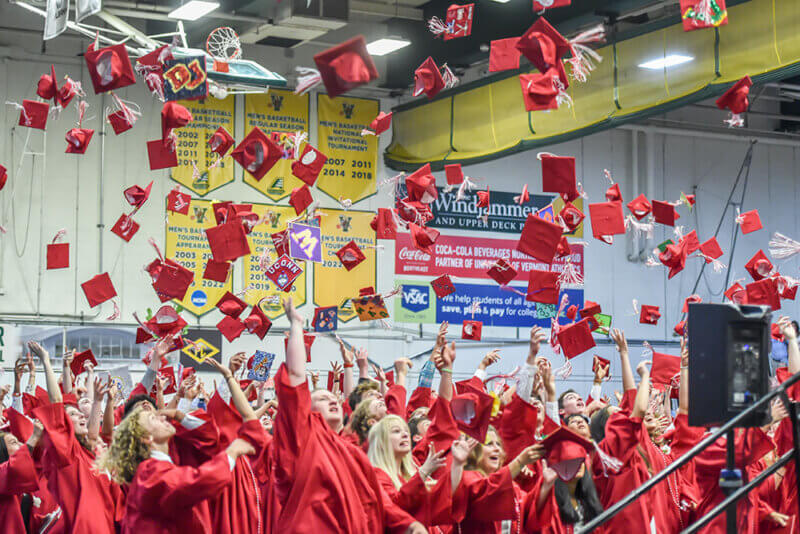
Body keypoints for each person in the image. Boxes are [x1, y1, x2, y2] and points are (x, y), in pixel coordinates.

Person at [271, 296, 426, 533]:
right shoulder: (302, 437)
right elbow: (294, 376)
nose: (333, 399)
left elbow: (375, 498)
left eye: (333, 398)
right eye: (322, 399)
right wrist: (296, 325)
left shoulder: (353, 452)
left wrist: (409, 524)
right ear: (306, 410)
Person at [28, 340, 122, 534]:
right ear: (62, 424)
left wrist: (98, 401)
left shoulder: (88, 452)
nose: (80, 415)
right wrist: (46, 362)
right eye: (72, 414)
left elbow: (94, 434)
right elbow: (56, 403)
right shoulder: (66, 455)